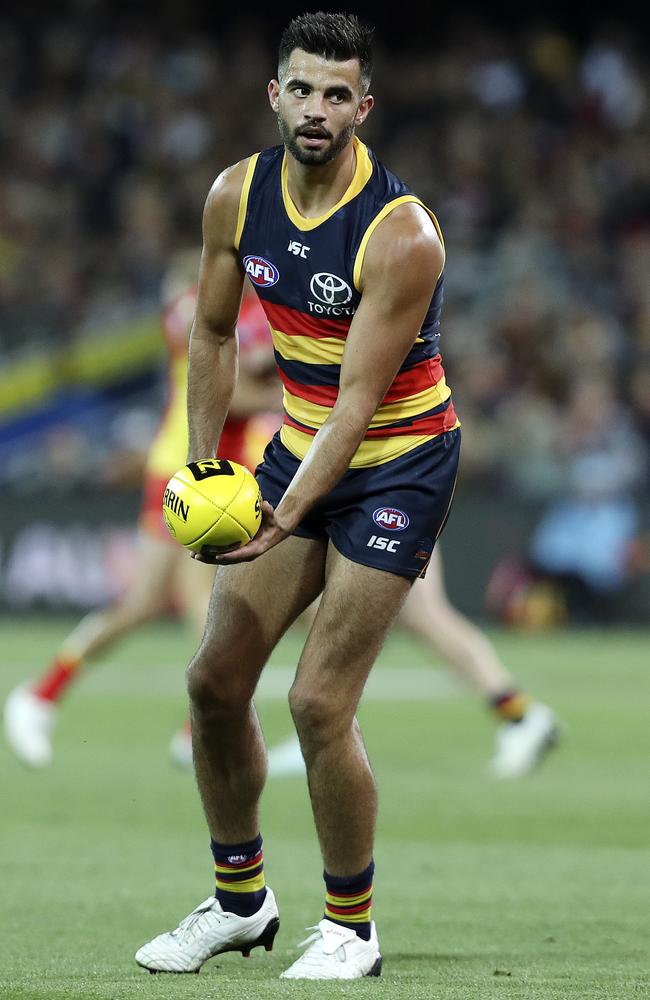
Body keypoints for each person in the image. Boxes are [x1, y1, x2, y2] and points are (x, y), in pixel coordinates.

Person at [133, 12, 462, 981]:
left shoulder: (401, 235)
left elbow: (359, 408)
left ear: (364, 105)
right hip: (296, 444)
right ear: (274, 94)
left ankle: (350, 926)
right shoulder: (234, 197)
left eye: (337, 93)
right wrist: (201, 467)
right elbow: (206, 333)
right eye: (302, 89)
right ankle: (240, 903)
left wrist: (276, 515)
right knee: (210, 684)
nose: (317, 109)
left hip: (396, 462)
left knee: (317, 701)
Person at [3, 256, 280, 768]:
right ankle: (199, 729)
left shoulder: (255, 314)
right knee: (198, 599)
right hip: (186, 471)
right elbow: (230, 388)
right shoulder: (196, 305)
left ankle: (49, 697)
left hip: (222, 472)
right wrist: (301, 396)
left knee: (161, 599)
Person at [265, 544, 559, 781]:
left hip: (388, 496)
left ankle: (522, 716)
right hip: (382, 495)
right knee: (413, 616)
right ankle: (521, 715)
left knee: (424, 615)